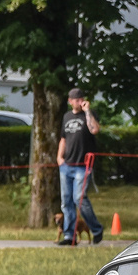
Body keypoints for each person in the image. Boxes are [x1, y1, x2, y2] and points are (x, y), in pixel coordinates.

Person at [57, 87, 103, 245]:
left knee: (79, 198)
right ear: (70, 101)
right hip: (66, 165)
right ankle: (70, 236)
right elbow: (63, 138)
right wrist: (59, 157)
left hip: (83, 165)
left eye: (81, 98)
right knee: (66, 201)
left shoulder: (88, 114)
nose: (79, 101)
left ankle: (96, 230)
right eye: (76, 99)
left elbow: (95, 130)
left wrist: (88, 111)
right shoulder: (66, 116)